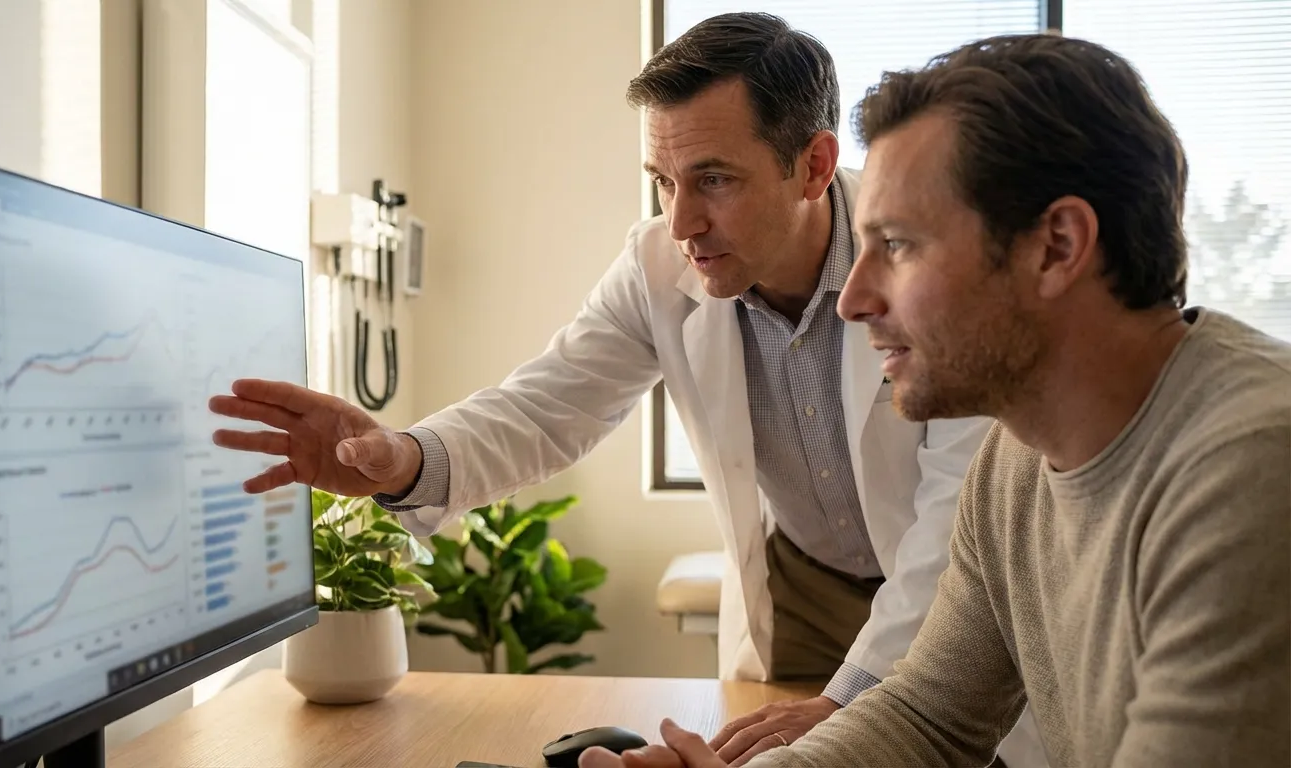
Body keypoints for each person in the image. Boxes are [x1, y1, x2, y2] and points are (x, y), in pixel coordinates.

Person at [208, 13, 1043, 767]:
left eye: (714, 179)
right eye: (663, 181)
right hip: (801, 581)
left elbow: (955, 517)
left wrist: (850, 700)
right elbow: (548, 405)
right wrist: (402, 458)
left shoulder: (925, 258)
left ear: (813, 165)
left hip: (944, 575)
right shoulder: (657, 265)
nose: (681, 223)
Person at [573, 32, 1291, 768]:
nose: (851, 299)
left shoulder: (1251, 468)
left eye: (899, 246)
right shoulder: (1013, 462)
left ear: (1057, 246)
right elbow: (926, 717)